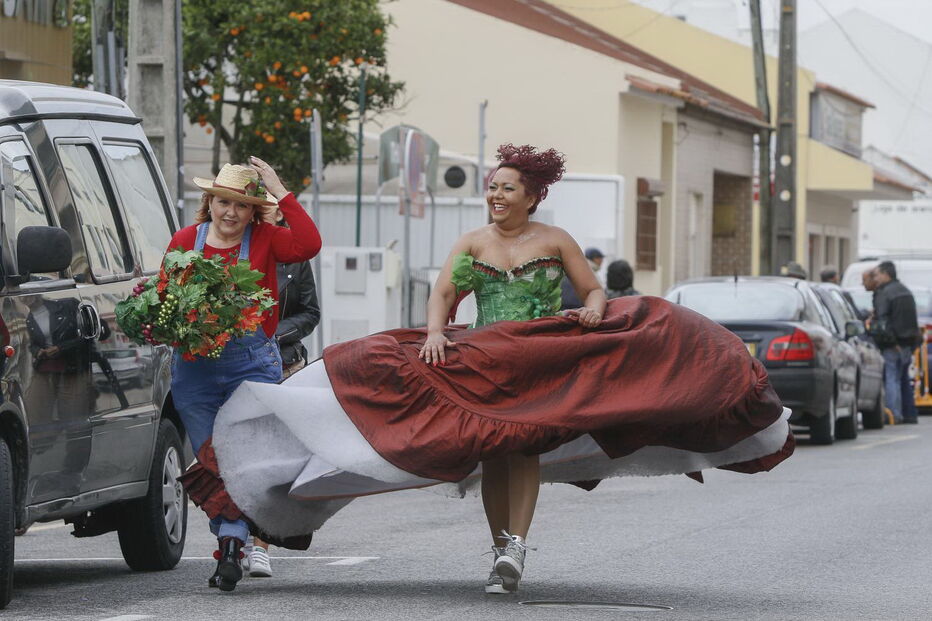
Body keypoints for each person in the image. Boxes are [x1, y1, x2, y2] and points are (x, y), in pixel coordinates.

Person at [418, 143, 606, 594]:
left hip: (538, 359)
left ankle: (516, 545)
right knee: (493, 455)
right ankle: (501, 550)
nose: (496, 196)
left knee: (523, 449)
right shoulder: (472, 242)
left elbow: (593, 289)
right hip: (485, 359)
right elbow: (443, 293)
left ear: (531, 196)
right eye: (492, 187)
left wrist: (594, 311)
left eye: (506, 188)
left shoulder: (556, 239)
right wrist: (434, 332)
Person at [168, 158, 322, 592]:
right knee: (212, 461)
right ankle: (233, 541)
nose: (230, 213)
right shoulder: (186, 241)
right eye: (223, 203)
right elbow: (168, 294)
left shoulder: (267, 239)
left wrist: (279, 189)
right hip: (194, 369)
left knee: (243, 459)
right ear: (210, 202)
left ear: (254, 210)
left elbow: (309, 243)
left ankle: (231, 541)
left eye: (241, 205)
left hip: (250, 364)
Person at [243, 206, 322, 579]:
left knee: (273, 459)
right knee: (236, 457)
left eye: (275, 206)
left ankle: (260, 545)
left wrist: (273, 333)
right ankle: (231, 539)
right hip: (231, 366)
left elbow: (310, 312)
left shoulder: (294, 257)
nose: (268, 212)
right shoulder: (228, 248)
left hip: (283, 366)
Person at [870, 261, 921, 424]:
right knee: (903, 379)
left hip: (893, 344)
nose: (875, 278)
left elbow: (883, 322)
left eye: (877, 275)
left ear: (886, 274)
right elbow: (913, 320)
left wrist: (891, 342)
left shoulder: (885, 293)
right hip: (907, 343)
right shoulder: (905, 291)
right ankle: (909, 413)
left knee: (892, 378)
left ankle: (893, 414)